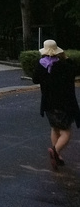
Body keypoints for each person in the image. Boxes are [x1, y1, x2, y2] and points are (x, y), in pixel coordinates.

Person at [32, 39, 80, 170]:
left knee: (55, 128)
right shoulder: (64, 65)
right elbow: (75, 71)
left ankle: (57, 156)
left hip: (48, 103)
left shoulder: (41, 65)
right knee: (66, 132)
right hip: (64, 103)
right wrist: (67, 58)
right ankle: (55, 151)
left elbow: (35, 79)